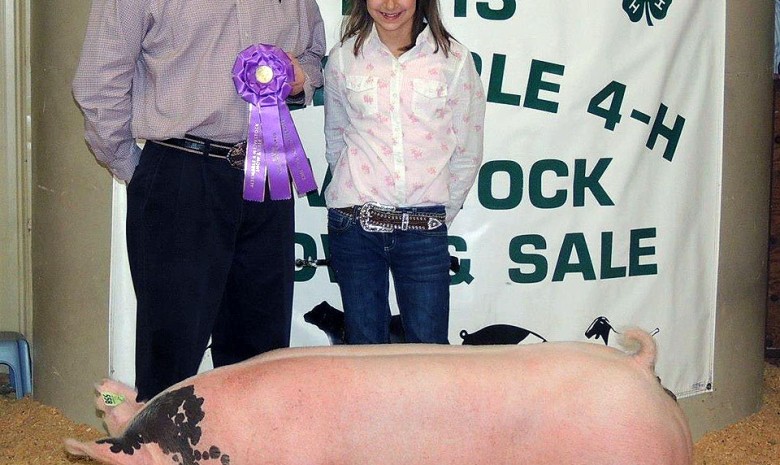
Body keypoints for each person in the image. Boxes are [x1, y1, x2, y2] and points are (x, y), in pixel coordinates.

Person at [72, 0, 326, 402]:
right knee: (170, 357)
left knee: (261, 358)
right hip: (181, 173)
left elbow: (313, 55)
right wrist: (135, 168)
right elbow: (98, 81)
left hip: (267, 171)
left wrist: (299, 78)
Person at [323, 0, 486, 344]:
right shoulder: (342, 59)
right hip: (355, 227)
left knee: (429, 355)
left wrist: (439, 214)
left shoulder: (454, 61)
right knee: (364, 351)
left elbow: (467, 149)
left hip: (424, 229)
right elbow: (336, 138)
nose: (390, 4)